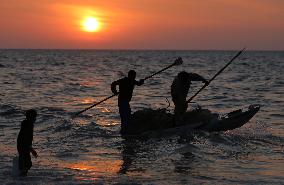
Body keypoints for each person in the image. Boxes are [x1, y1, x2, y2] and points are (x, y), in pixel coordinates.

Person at [17, 109, 38, 176]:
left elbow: (25, 138)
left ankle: (21, 176)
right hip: (23, 145)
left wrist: (31, 149)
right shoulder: (28, 125)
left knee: (25, 162)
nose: (35, 119)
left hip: (21, 144)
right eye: (34, 117)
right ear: (31, 117)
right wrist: (31, 150)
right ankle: (22, 176)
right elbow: (26, 139)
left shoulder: (27, 124)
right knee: (27, 163)